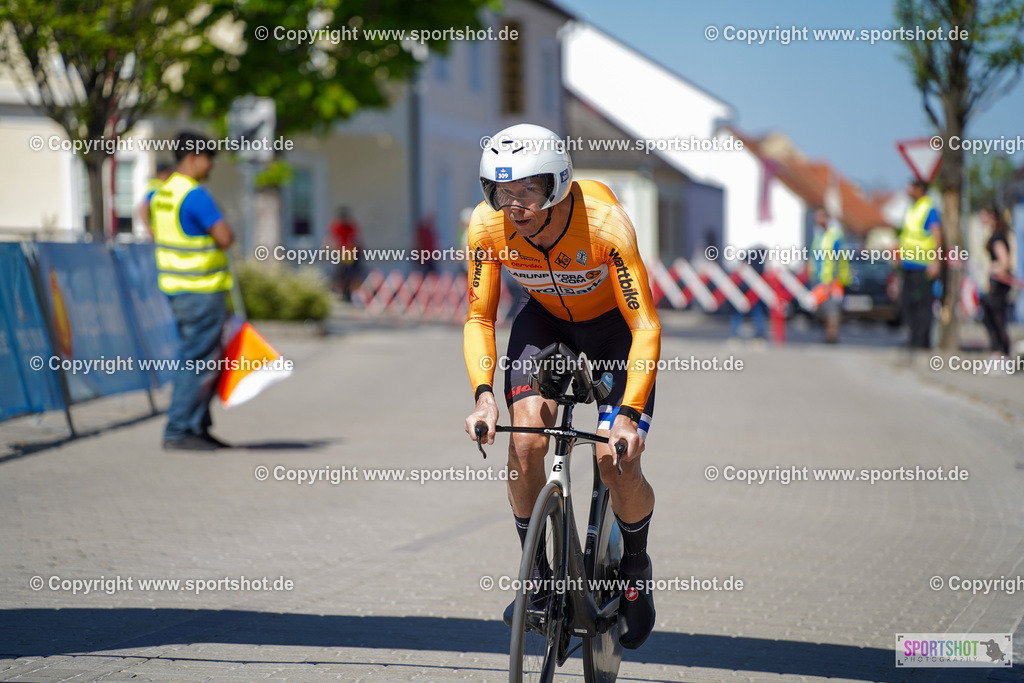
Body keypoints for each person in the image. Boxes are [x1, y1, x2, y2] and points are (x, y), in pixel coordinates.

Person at [463, 123, 660, 650]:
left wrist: (628, 414)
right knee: (525, 438)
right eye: (502, 192)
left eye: (528, 189)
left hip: (614, 330)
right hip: (546, 325)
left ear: (557, 183)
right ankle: (540, 578)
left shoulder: (604, 225)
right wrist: (484, 395)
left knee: (612, 460)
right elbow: (479, 318)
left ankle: (636, 570)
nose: (514, 205)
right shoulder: (487, 229)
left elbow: (644, 326)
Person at [151, 131, 235, 451]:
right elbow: (225, 237)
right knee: (198, 360)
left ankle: (196, 425)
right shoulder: (195, 195)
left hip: (177, 290)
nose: (211, 166)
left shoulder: (163, 193)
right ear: (192, 158)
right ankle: (180, 429)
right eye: (208, 158)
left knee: (200, 359)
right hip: (201, 290)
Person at [898, 179, 943, 349]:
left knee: (922, 305)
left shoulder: (928, 208)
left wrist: (935, 261)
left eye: (911, 186)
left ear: (920, 189)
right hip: (909, 263)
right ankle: (913, 338)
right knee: (908, 303)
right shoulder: (912, 208)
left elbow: (936, 234)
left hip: (923, 265)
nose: (907, 189)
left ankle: (922, 341)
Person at [807, 208, 850, 343]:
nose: (817, 220)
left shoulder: (834, 235)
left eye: (820, 217)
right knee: (824, 310)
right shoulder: (819, 236)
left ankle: (832, 336)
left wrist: (835, 278)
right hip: (820, 279)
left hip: (831, 280)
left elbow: (840, 258)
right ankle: (828, 334)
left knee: (832, 311)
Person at [979, 205, 1014, 356]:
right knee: (990, 316)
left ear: (992, 217)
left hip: (999, 284)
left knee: (996, 319)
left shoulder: (998, 237)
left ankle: (1002, 352)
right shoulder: (995, 234)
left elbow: (1004, 263)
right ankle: (998, 351)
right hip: (997, 284)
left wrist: (992, 269)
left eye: (983, 215)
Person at [730, 245, 769, 344]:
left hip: (745, 288)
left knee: (740, 310)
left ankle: (735, 334)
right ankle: (759, 335)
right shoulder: (760, 259)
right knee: (757, 311)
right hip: (754, 289)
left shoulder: (749, 257)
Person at [325, 206, 363, 301]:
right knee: (339, 275)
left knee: (354, 275)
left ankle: (354, 295)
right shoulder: (336, 226)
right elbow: (331, 240)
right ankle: (339, 294)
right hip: (341, 254)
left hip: (352, 254)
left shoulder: (351, 227)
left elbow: (356, 240)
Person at [137, 161, 174, 235]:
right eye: (169, 174)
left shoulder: (158, 187)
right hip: (158, 233)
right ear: (162, 174)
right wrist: (150, 230)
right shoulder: (156, 189)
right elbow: (142, 210)